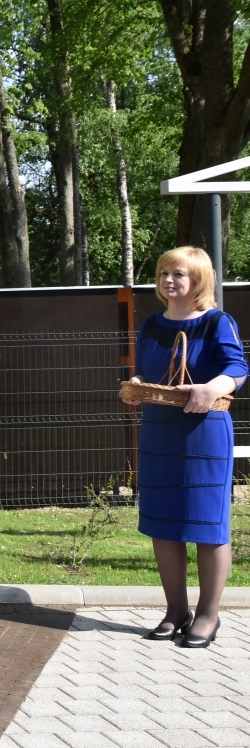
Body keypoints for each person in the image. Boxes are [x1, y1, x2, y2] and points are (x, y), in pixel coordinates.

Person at [121, 246, 246, 648]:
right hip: (159, 431)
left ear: (198, 279)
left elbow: (237, 368)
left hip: (205, 434)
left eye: (178, 274)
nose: (169, 281)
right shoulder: (152, 324)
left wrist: (212, 389)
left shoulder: (216, 322)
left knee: (208, 526)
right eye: (163, 274)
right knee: (165, 524)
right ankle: (176, 611)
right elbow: (147, 369)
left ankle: (208, 615)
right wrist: (137, 386)